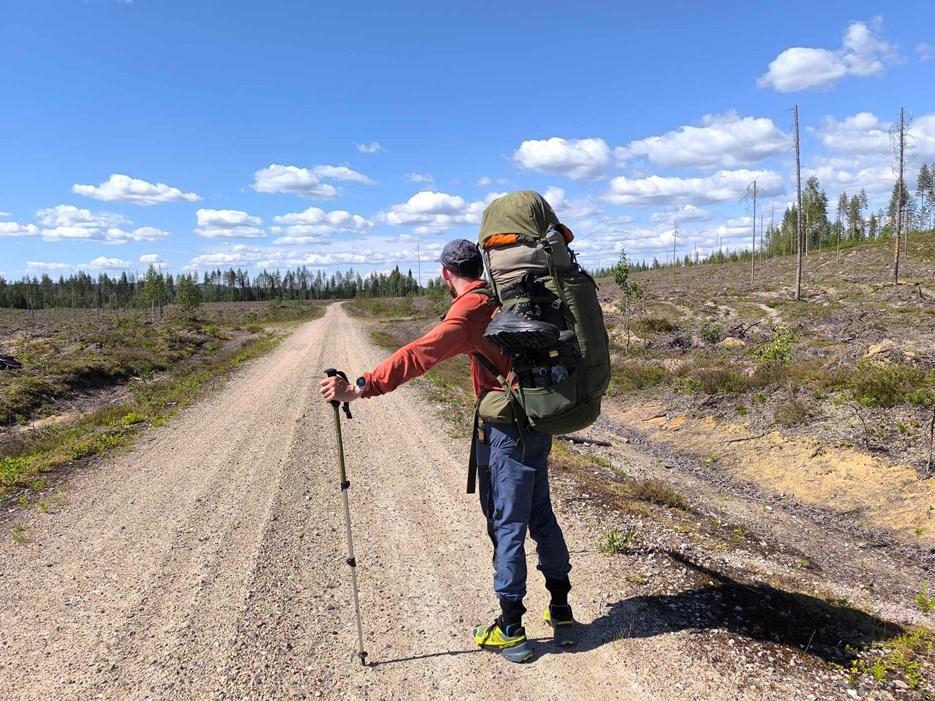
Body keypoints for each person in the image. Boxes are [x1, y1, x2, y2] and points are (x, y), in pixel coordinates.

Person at [320, 238, 573, 663]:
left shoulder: (470, 309)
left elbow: (422, 353)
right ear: (483, 267)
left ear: (445, 274)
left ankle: (511, 629)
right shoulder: (503, 297)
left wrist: (361, 387)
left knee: (508, 522)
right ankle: (561, 610)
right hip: (538, 418)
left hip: (506, 430)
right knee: (539, 514)